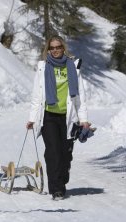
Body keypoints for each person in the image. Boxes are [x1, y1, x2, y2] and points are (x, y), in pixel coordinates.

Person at [26, 35, 89, 200]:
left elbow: (80, 97)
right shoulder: (43, 67)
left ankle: (63, 174)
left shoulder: (73, 67)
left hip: (68, 118)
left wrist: (83, 120)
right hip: (49, 116)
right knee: (53, 152)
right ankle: (56, 189)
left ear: (63, 48)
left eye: (58, 47)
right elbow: (36, 95)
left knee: (65, 154)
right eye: (51, 48)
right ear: (48, 50)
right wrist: (32, 118)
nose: (55, 50)